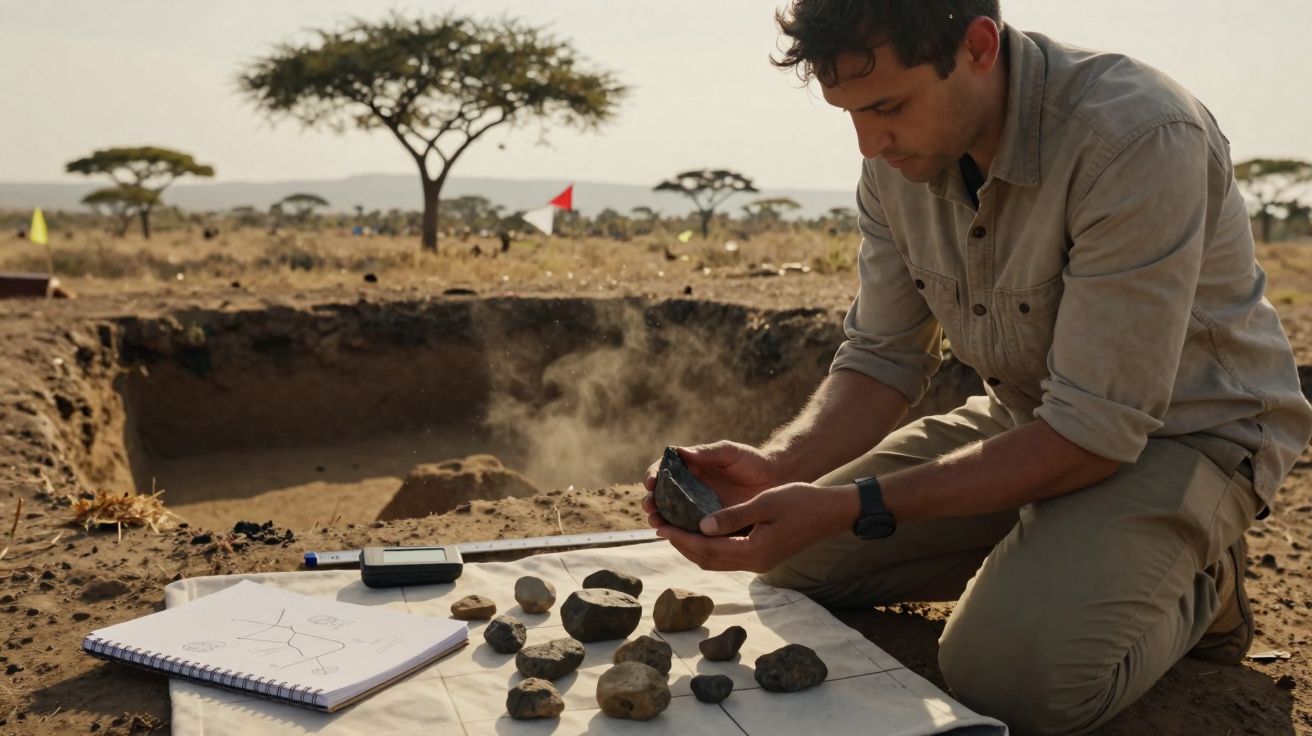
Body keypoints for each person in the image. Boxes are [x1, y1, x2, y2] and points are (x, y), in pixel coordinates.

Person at [642, 2, 1312, 733]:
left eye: (888, 107)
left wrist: (854, 505)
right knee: (791, 564)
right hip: (1030, 421)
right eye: (851, 112)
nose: (869, 143)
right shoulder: (897, 161)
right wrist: (779, 467)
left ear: (979, 46)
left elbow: (1094, 431)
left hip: (1186, 439)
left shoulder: (1136, 137)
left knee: (1010, 679)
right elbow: (882, 357)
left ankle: (1201, 582)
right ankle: (1062, 552)